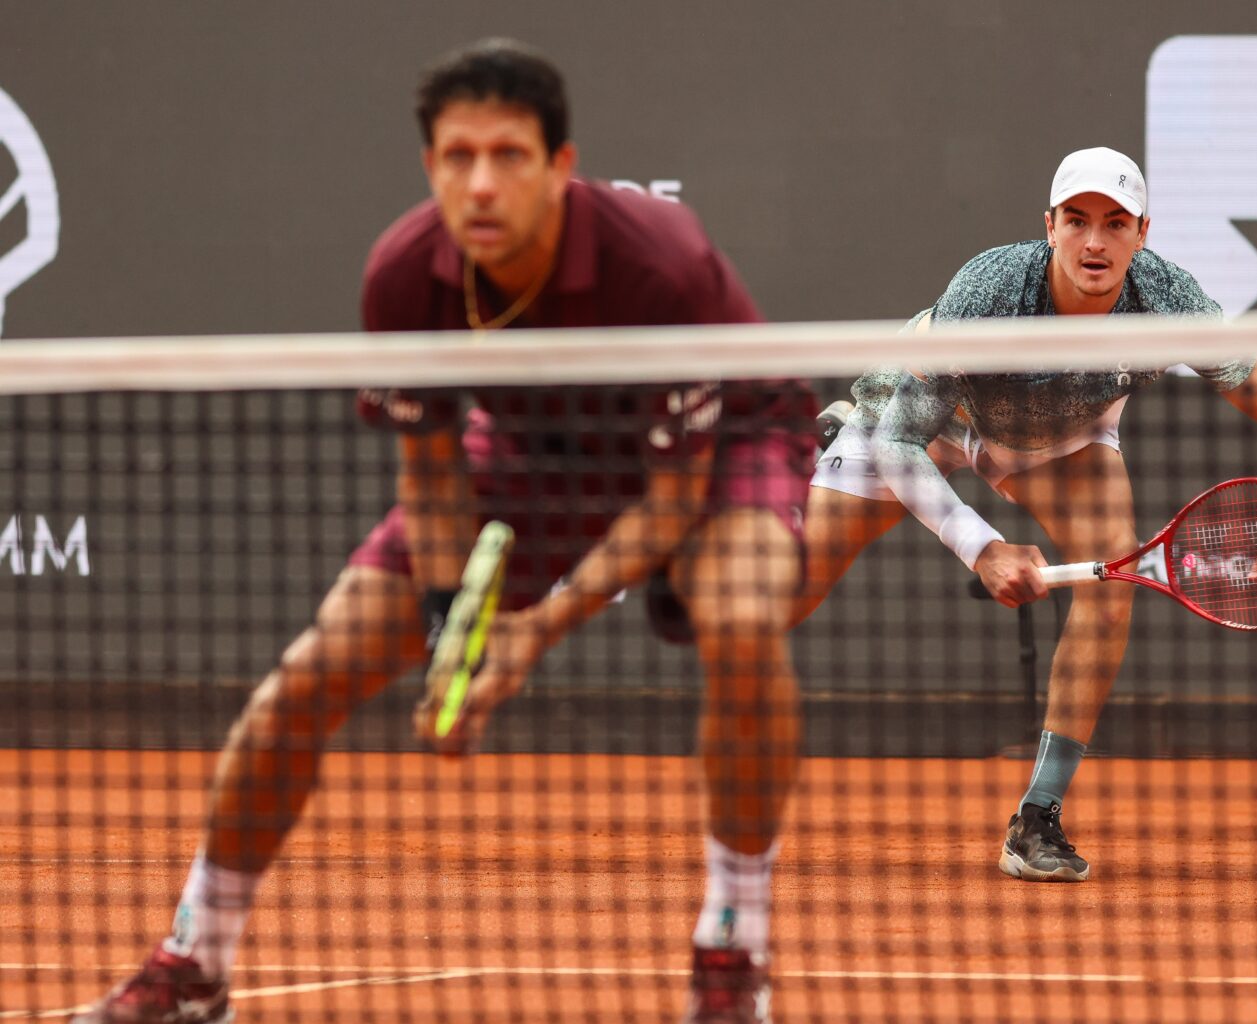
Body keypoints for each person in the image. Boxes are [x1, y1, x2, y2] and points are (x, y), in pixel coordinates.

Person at [76, 39, 815, 1024]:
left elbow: (670, 503)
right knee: (306, 674)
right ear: (428, 165)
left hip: (727, 444)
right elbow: (429, 472)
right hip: (525, 451)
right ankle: (194, 960)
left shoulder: (658, 262)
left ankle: (733, 945)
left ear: (561, 166)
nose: (480, 183)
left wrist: (529, 633)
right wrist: (448, 637)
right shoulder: (404, 275)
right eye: (457, 156)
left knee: (741, 623)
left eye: (508, 155)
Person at [794, 147, 1257, 882]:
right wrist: (982, 547)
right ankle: (807, 455)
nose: (1094, 242)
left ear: (1143, 233)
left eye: (1114, 223)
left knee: (1111, 595)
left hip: (1058, 438)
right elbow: (901, 440)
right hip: (925, 422)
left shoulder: (1170, 304)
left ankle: (1036, 817)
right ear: (1050, 226)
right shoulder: (989, 292)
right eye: (1077, 221)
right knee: (788, 593)